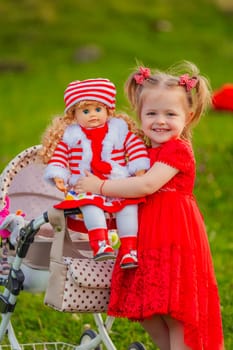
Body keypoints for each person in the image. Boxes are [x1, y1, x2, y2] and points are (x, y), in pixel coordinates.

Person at [75, 63, 224, 349]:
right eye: (152, 113)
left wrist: (100, 187)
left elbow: (145, 186)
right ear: (140, 115)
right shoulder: (144, 152)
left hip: (175, 237)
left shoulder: (177, 150)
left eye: (171, 114)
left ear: (188, 116)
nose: (160, 121)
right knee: (148, 307)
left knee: (176, 311)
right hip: (146, 238)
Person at [40, 78, 150, 268]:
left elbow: (136, 147)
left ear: (108, 110)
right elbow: (60, 156)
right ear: (74, 115)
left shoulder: (119, 130)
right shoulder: (71, 136)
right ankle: (100, 243)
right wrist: (58, 174)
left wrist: (139, 167)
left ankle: (129, 250)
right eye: (85, 111)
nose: (93, 115)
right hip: (85, 185)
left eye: (98, 109)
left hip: (117, 183)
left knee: (129, 208)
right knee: (90, 206)